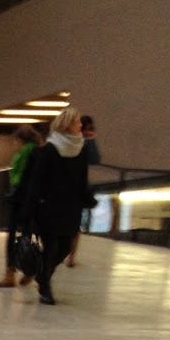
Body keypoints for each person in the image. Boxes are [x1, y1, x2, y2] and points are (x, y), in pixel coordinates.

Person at [21, 105, 90, 305]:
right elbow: (36, 182)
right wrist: (28, 209)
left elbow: (82, 180)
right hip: (49, 208)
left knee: (65, 247)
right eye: (77, 121)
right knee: (51, 247)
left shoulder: (81, 151)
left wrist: (87, 198)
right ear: (68, 124)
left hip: (71, 208)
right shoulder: (48, 150)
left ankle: (41, 274)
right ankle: (45, 286)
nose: (80, 125)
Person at [0, 124, 41, 288]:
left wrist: (14, 195)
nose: (14, 144)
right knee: (27, 236)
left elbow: (23, 179)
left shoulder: (28, 154)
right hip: (27, 201)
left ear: (21, 140)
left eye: (15, 141)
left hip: (21, 200)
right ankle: (27, 270)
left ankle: (12, 274)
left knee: (14, 237)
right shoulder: (34, 153)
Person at [66, 114, 101, 267]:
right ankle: (63, 252)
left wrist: (90, 140)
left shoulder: (87, 144)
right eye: (84, 128)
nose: (87, 131)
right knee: (63, 221)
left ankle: (71, 257)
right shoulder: (69, 141)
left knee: (75, 224)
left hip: (79, 188)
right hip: (65, 186)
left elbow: (95, 159)